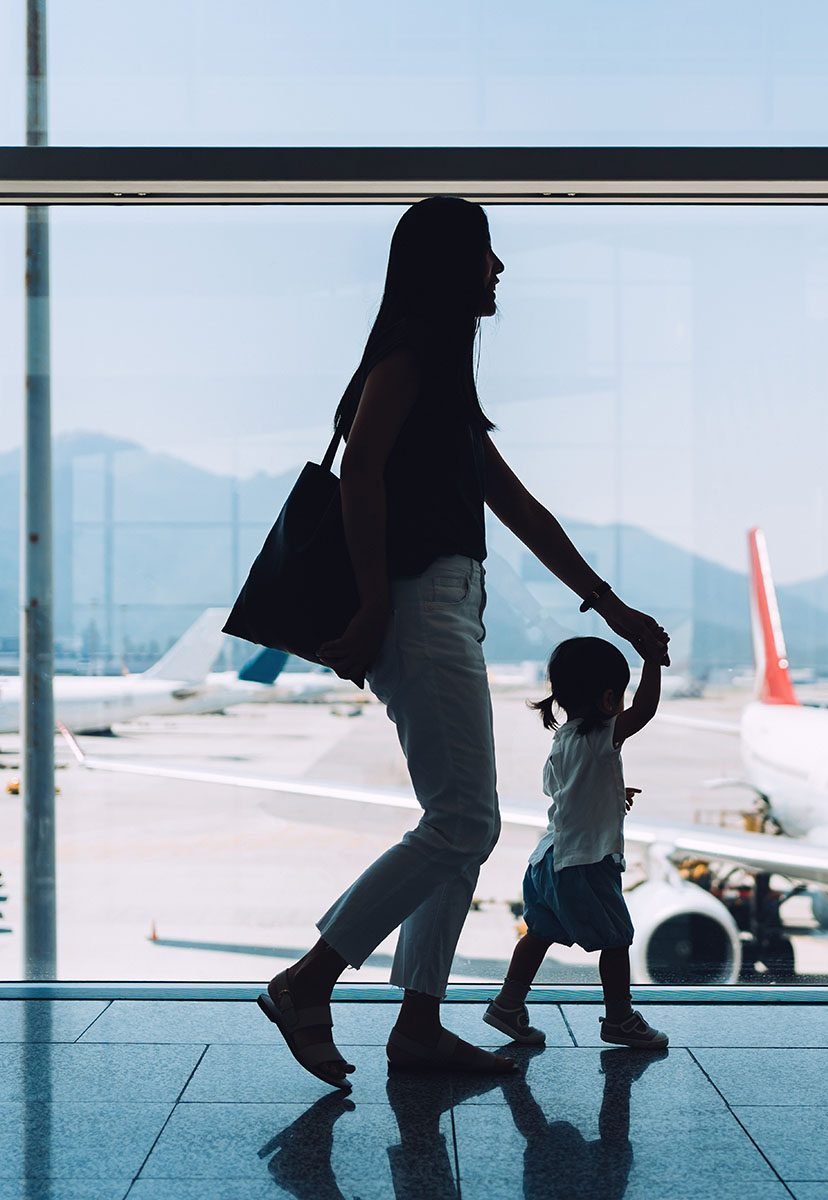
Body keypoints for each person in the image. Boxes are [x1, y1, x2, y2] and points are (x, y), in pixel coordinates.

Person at [256, 197, 670, 1089]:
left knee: (461, 824)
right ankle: (307, 982)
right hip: (416, 602)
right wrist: (371, 605)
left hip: (442, 602)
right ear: (450, 266)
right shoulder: (407, 359)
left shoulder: (438, 375)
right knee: (465, 822)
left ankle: (417, 1027)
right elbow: (360, 469)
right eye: (487, 252)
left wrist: (612, 608)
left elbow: (521, 510)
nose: (501, 268)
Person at [484, 636, 669, 1051]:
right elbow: (646, 710)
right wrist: (652, 661)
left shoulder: (563, 740)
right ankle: (619, 1019)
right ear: (608, 700)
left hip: (547, 860)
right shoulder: (605, 734)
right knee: (618, 940)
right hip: (586, 862)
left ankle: (508, 1004)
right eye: (619, 694)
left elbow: (563, 791)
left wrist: (611, 790)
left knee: (539, 932)